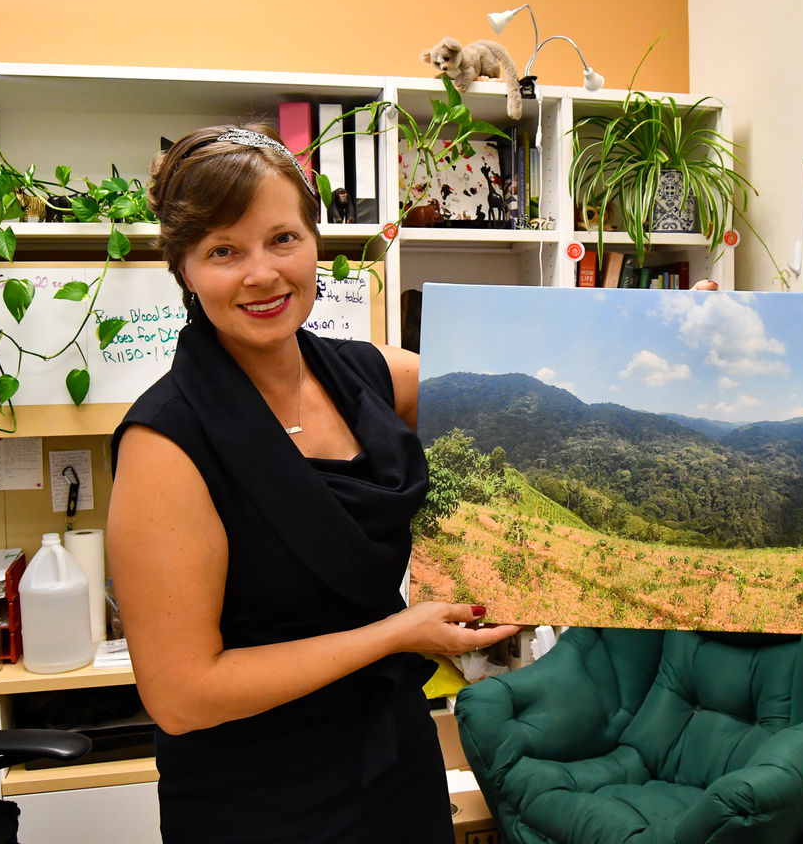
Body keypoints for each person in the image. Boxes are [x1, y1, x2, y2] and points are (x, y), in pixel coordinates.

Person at [106, 122, 520, 843]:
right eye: (223, 251)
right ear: (185, 271)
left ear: (316, 245)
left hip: (394, 770)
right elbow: (181, 695)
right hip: (261, 799)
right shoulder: (166, 443)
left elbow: (525, 397)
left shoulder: (369, 376)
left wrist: (659, 324)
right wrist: (393, 637)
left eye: (282, 239)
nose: (262, 274)